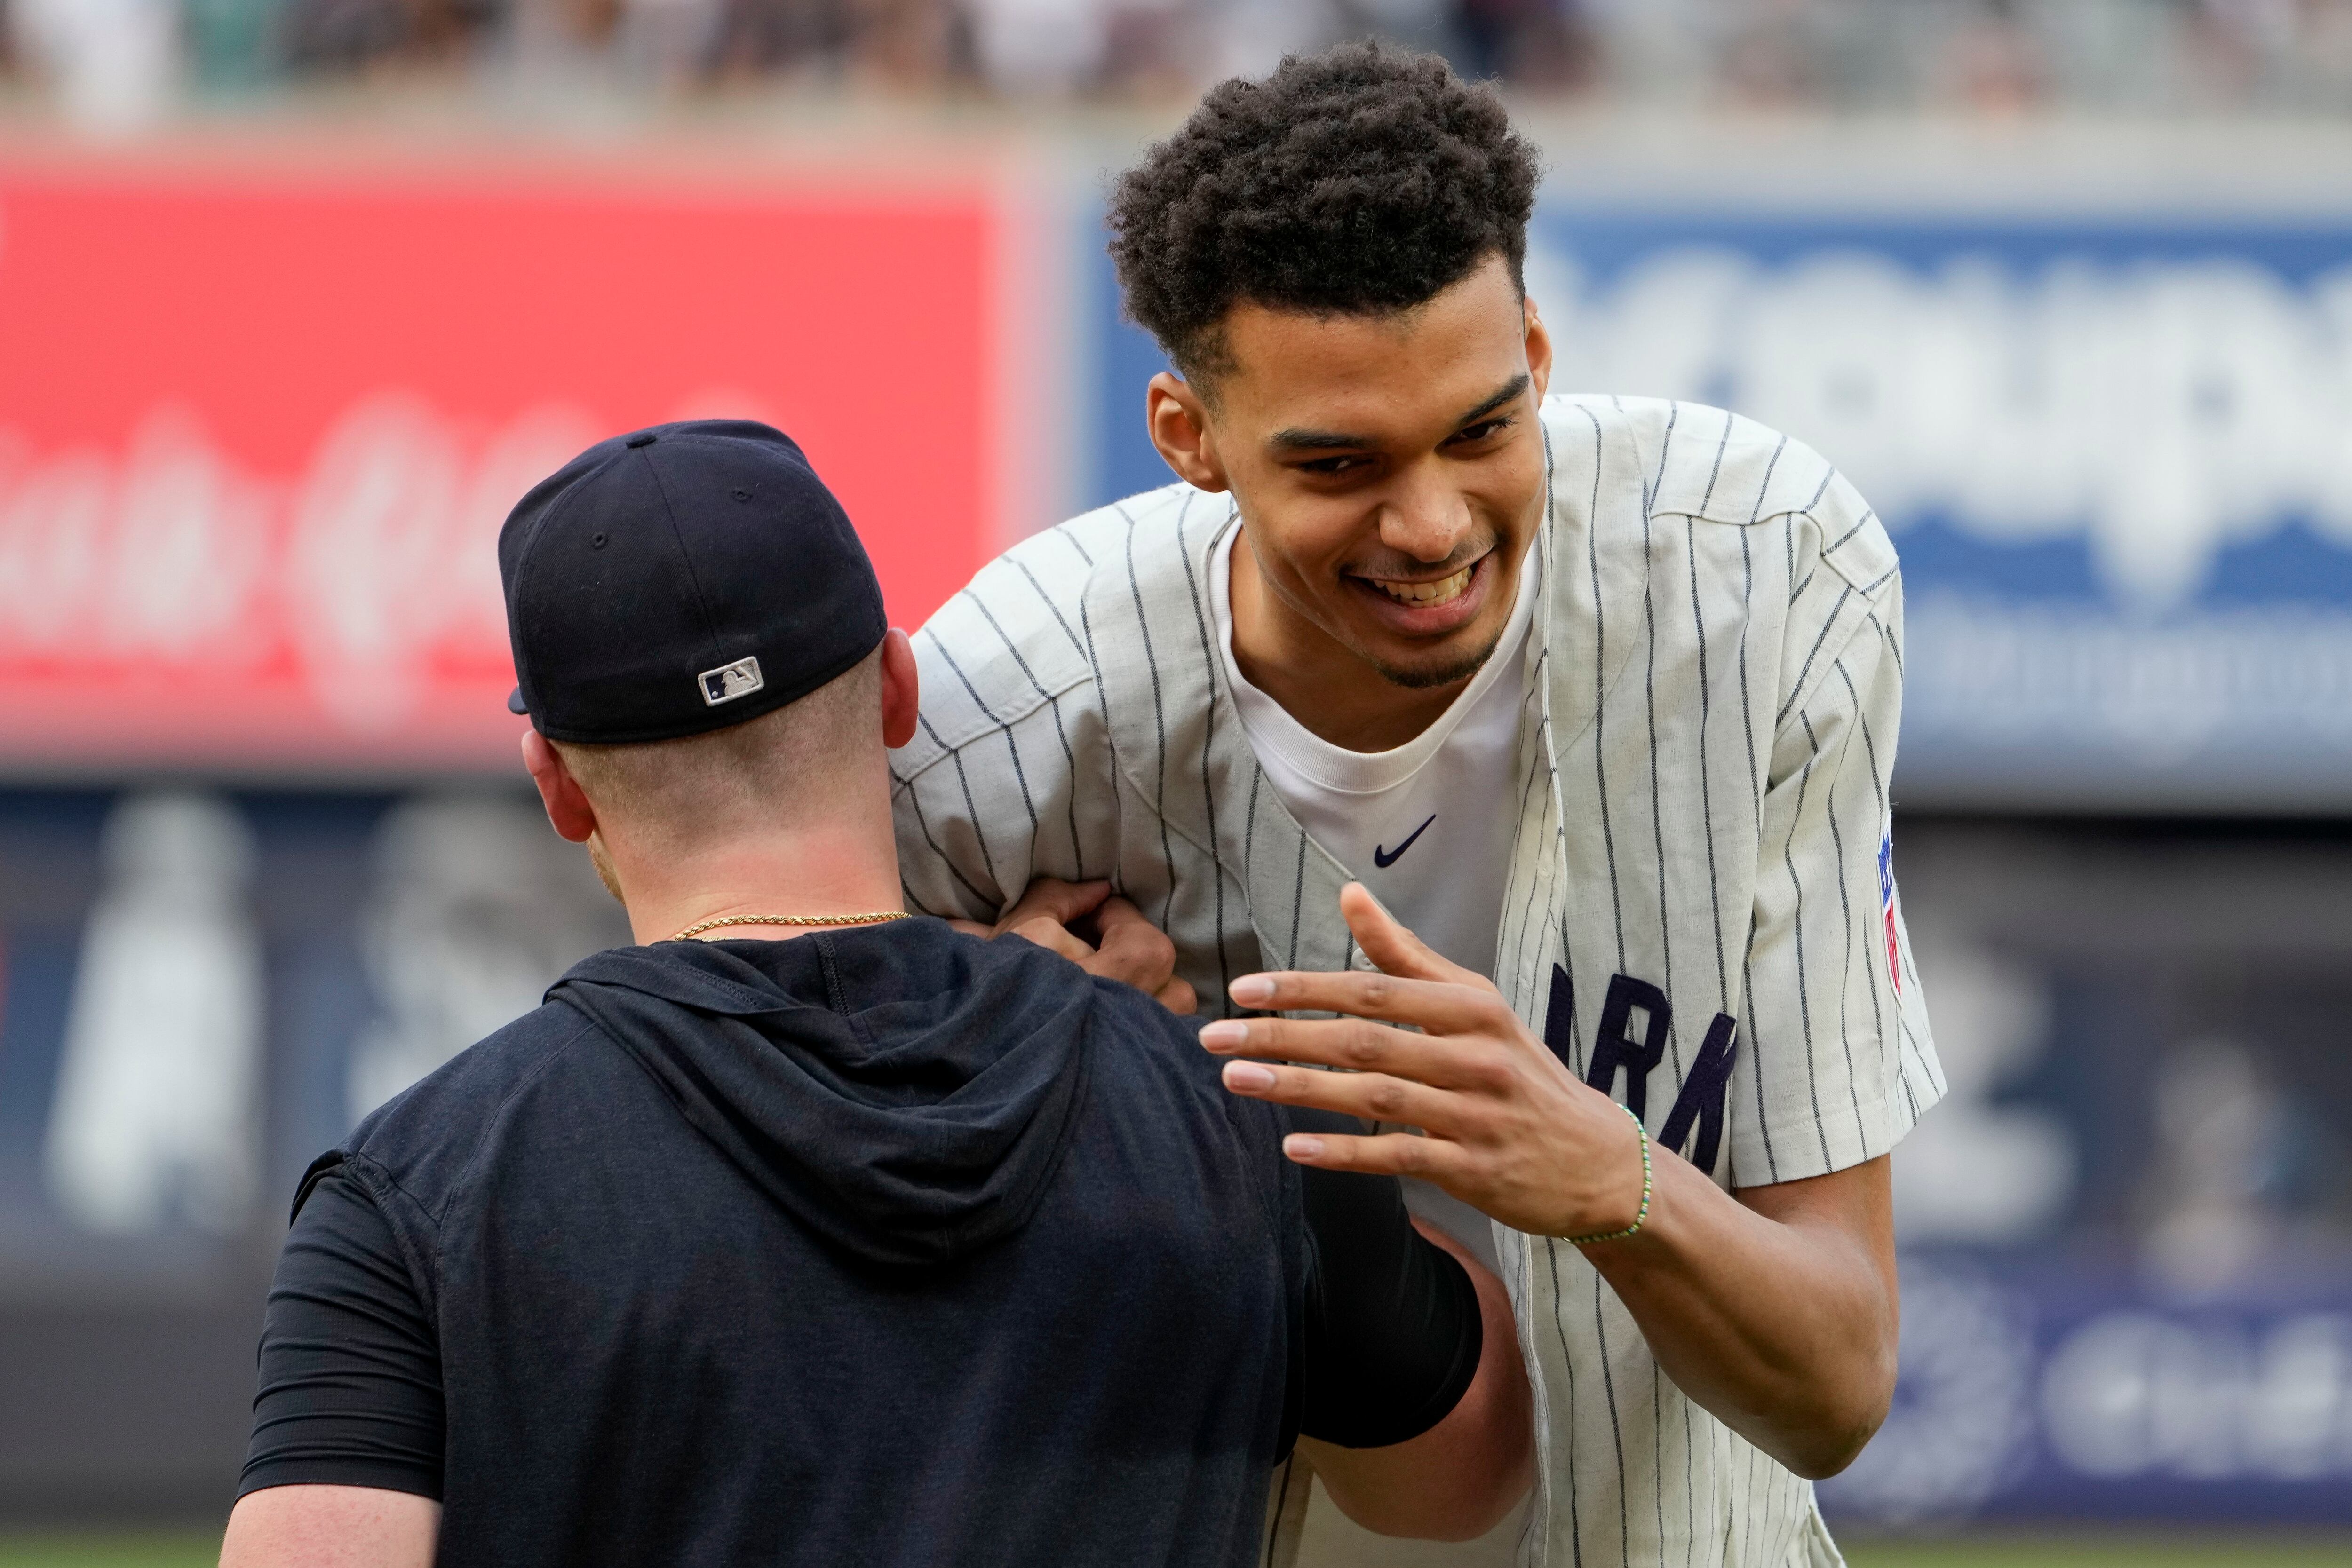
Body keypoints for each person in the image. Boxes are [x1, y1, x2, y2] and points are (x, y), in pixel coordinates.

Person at [890, 41, 1945, 1568]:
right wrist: (991, 1056)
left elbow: (1837, 1387)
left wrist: (1609, 1179)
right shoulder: (1001, 721)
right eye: (1340, 462)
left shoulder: (1769, 572)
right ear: (1190, 438)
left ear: (1533, 345)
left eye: (1481, 429)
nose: (1434, 524)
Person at [218, 420, 1532, 1568]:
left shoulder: (422, 1192)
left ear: (557, 785)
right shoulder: (1232, 1116)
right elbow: (1461, 1475)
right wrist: (1174, 1081)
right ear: (900, 688)